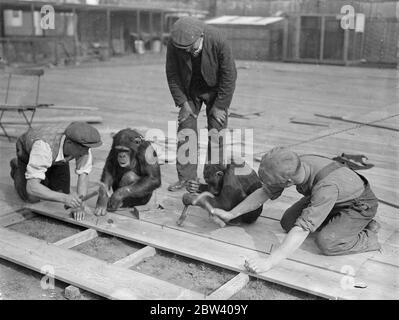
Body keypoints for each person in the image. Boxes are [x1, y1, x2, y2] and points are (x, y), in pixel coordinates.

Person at [212, 147, 381, 273]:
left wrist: (269, 262)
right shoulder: (294, 165)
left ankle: (368, 234)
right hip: (333, 197)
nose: (269, 186)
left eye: (274, 183)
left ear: (288, 182)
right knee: (288, 222)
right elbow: (264, 192)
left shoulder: (326, 188)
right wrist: (231, 213)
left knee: (327, 242)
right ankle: (338, 221)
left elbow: (303, 229)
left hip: (357, 205)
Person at [165, 16, 237, 191]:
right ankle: (187, 178)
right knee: (186, 129)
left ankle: (213, 179)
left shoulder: (218, 39)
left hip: (216, 92)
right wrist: (182, 102)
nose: (189, 52)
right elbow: (172, 74)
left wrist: (220, 106)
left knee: (216, 132)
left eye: (192, 47)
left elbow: (229, 75)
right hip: (190, 90)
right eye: (185, 49)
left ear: (202, 36)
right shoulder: (175, 43)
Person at [9, 122, 102, 221]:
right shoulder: (43, 147)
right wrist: (65, 198)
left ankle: (44, 174)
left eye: (87, 149)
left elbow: (83, 175)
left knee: (61, 192)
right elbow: (32, 187)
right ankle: (17, 170)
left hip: (57, 158)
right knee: (32, 198)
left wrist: (80, 205)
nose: (85, 153)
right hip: (28, 154)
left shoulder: (83, 147)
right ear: (69, 143)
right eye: (82, 149)